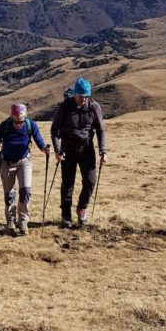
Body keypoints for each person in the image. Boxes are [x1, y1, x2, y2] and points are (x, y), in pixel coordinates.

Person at [51, 77, 107, 227]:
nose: (82, 100)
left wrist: (103, 150)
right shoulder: (65, 106)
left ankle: (82, 208)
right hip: (67, 150)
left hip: (86, 149)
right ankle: (66, 215)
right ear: (75, 94)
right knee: (68, 184)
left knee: (90, 181)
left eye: (85, 97)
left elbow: (100, 129)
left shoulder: (94, 107)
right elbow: (54, 130)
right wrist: (57, 150)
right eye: (80, 96)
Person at [0, 103, 49, 235]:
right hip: (7, 163)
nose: (18, 124)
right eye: (16, 122)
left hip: (24, 162)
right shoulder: (5, 125)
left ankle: (23, 221)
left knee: (25, 191)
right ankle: (10, 221)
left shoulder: (30, 125)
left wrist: (44, 148)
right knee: (9, 195)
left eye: (21, 122)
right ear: (11, 118)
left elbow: (38, 139)